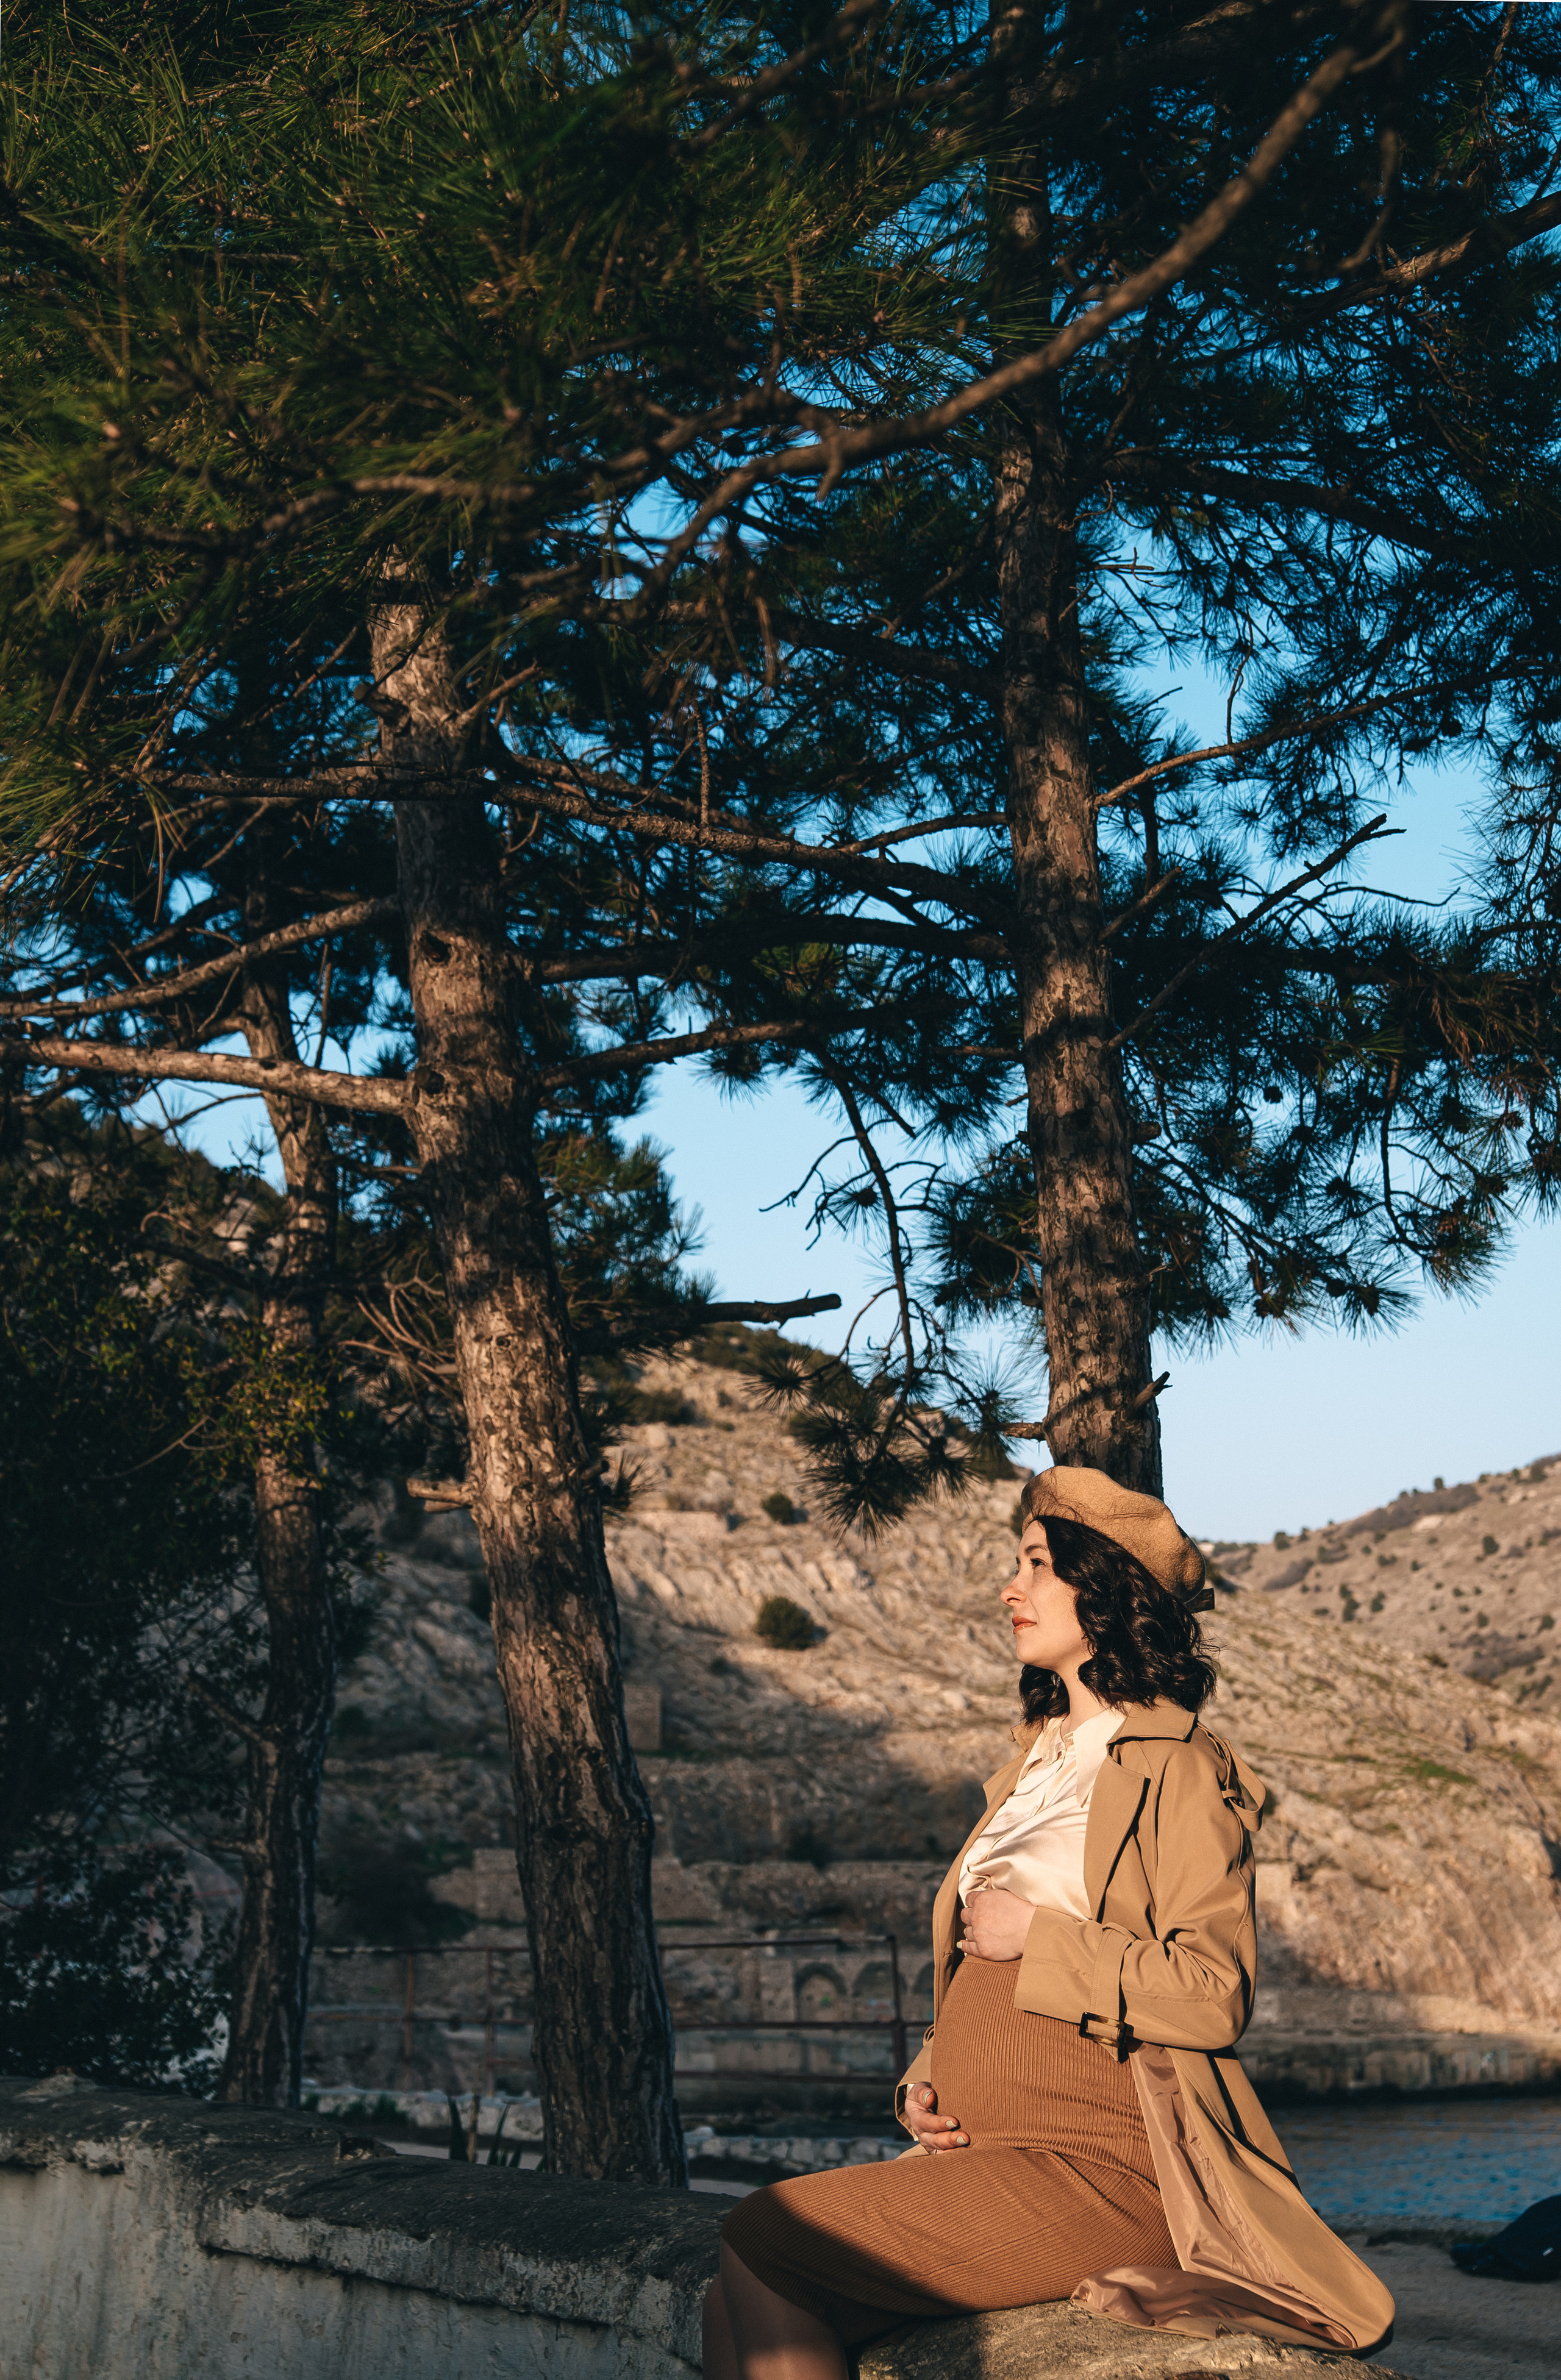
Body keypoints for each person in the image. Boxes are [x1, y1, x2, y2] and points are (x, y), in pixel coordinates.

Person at [703, 1465, 1395, 2380]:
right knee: (726, 2299)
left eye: (1037, 1564)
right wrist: (928, 2081)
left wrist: (1042, 1937)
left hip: (1107, 2163)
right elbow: (983, 1976)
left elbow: (1212, 1993)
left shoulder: (1178, 1766)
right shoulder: (1032, 1762)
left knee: (765, 2232)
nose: (1011, 1587)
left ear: (1104, 1588)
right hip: (996, 2154)